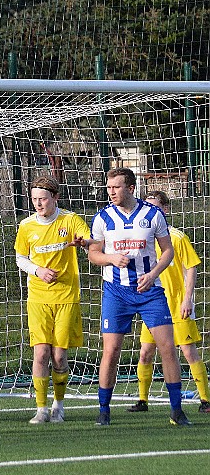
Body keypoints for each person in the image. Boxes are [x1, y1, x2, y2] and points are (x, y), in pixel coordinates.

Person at [87, 167, 189, 426]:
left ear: (130, 188)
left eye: (116, 187)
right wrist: (110, 258)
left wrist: (153, 273)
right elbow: (93, 254)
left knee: (168, 348)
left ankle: (177, 411)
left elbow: (167, 252)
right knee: (111, 351)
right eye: (109, 188)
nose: (111, 192)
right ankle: (104, 411)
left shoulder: (153, 215)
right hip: (116, 292)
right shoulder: (102, 218)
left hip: (150, 291)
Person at [14, 175, 91, 424]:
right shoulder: (26, 226)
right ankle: (41, 408)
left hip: (67, 296)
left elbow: (87, 239)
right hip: (37, 298)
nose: (39, 204)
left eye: (43, 199)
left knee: (59, 356)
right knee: (40, 354)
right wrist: (38, 271)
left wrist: (84, 243)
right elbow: (20, 258)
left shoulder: (69, 220)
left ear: (55, 198)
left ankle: (59, 404)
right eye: (35, 199)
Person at [126, 190, 210, 413]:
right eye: (148, 206)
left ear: (165, 210)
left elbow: (190, 267)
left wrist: (187, 300)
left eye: (156, 207)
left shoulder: (177, 237)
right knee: (145, 352)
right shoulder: (142, 238)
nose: (152, 211)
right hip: (153, 304)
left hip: (177, 305)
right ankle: (142, 400)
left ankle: (205, 401)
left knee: (188, 351)